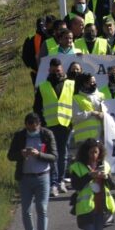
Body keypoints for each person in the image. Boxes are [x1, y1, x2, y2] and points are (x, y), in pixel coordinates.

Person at [7, 112, 57, 230]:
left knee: (42, 208)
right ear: (26, 125)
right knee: (26, 210)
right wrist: (21, 154)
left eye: (35, 126)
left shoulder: (47, 135)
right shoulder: (20, 136)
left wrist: (38, 154)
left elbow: (54, 156)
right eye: (30, 127)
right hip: (25, 178)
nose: (33, 129)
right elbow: (10, 156)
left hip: (43, 177)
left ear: (39, 124)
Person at [69, 138, 115, 230]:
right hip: (86, 207)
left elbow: (112, 186)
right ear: (85, 153)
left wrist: (105, 176)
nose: (93, 155)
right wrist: (90, 175)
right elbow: (76, 185)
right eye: (91, 152)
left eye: (96, 152)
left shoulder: (105, 165)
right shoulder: (76, 166)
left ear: (100, 152)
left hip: (102, 206)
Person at [33, 58, 75, 196]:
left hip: (66, 124)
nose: (56, 73)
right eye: (53, 70)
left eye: (58, 70)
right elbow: (37, 108)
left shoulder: (70, 84)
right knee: (52, 155)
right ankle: (53, 183)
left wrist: (73, 122)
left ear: (62, 70)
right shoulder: (43, 86)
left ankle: (61, 180)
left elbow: (76, 104)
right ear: (49, 70)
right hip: (49, 125)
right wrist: (41, 124)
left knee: (63, 154)